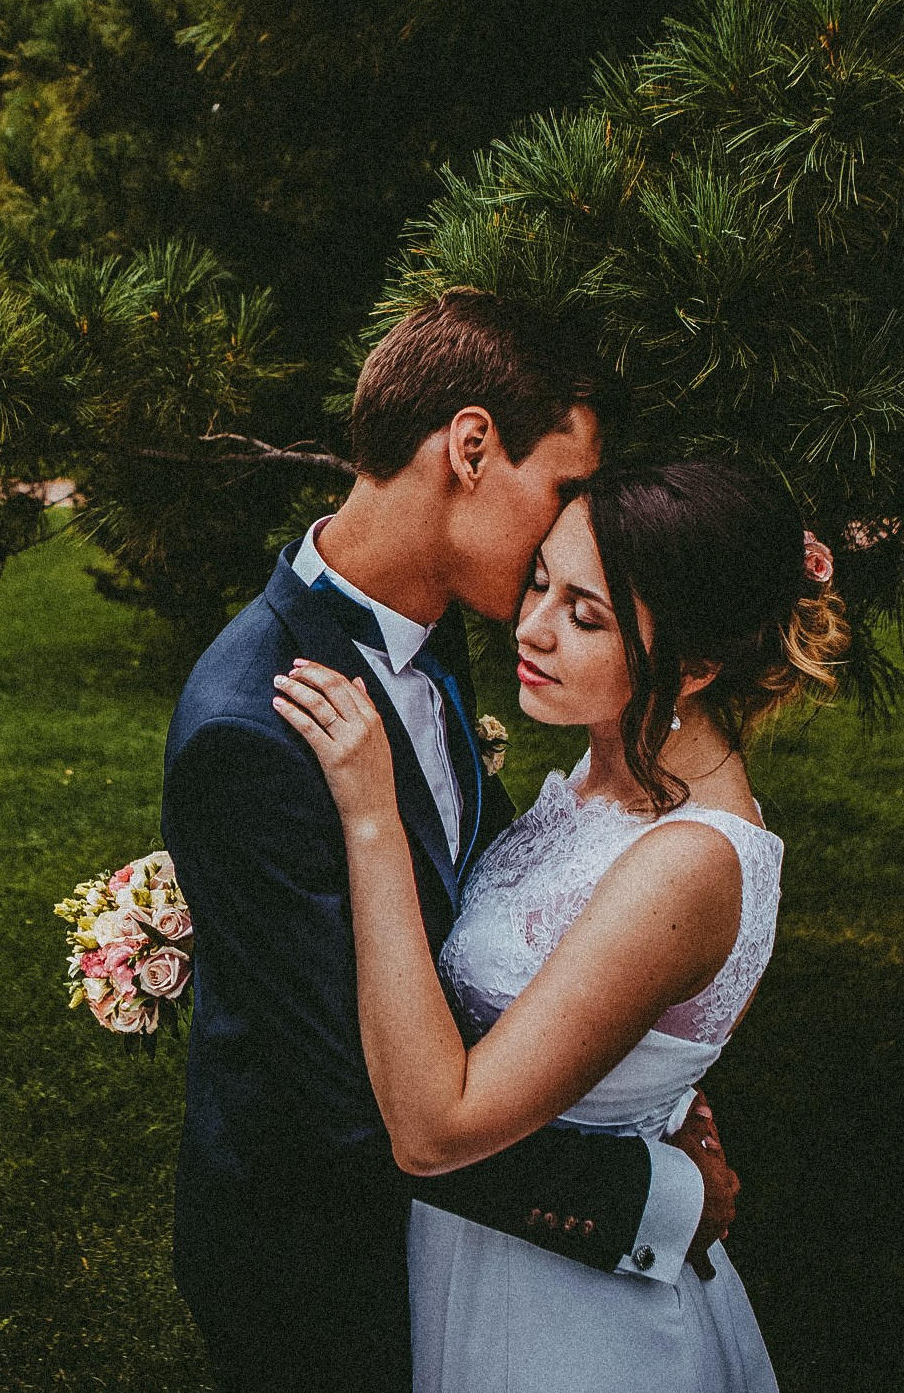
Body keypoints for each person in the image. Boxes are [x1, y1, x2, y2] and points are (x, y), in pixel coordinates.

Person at [162, 291, 739, 1393]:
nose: (572, 535)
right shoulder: (251, 728)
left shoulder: (434, 634)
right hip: (321, 1270)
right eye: (563, 490)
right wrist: (651, 1195)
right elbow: (352, 1108)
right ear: (469, 448)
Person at [273, 458, 849, 1391]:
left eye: (586, 616)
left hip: (571, 1317)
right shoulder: (602, 777)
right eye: (540, 582)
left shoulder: (687, 861)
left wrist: (372, 816)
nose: (531, 626)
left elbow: (435, 1130)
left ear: (694, 666)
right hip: (487, 1243)